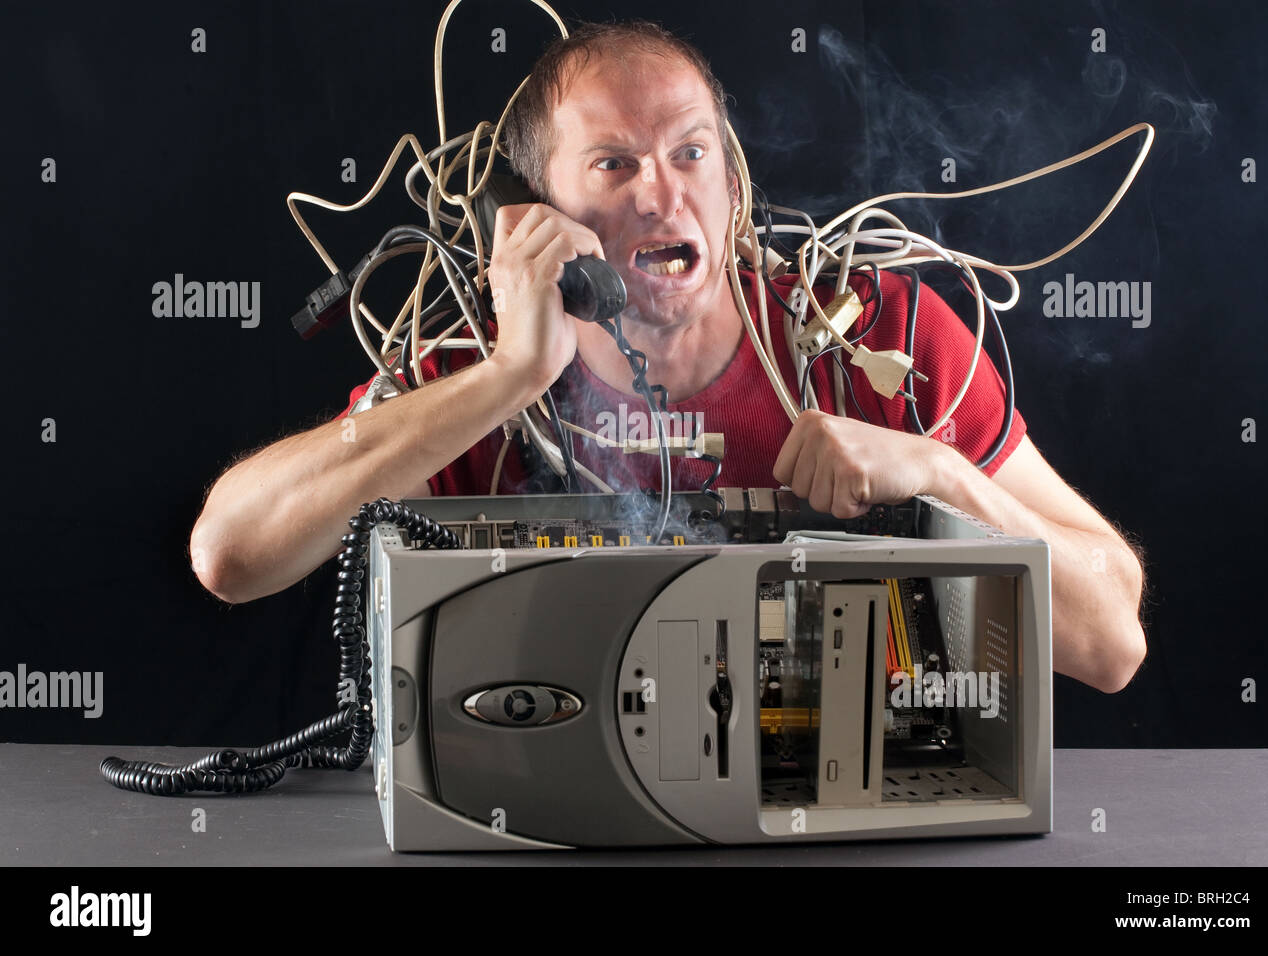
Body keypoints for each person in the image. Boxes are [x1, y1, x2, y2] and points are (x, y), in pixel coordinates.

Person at [190, 21, 1146, 694]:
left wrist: (939, 476)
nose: (661, 195)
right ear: (534, 214)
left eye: (690, 152)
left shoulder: (874, 331)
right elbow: (229, 554)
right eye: (614, 164)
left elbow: (1111, 640)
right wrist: (506, 381)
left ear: (731, 178)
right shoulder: (476, 375)